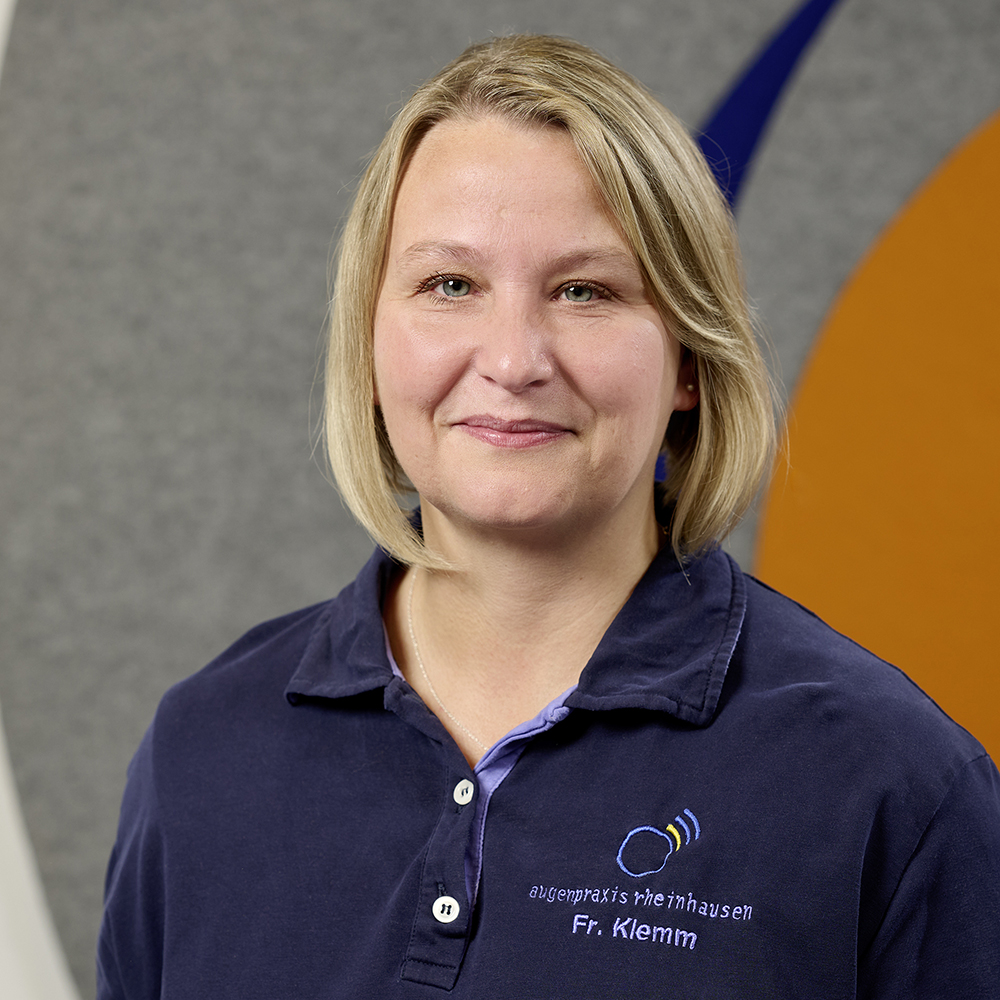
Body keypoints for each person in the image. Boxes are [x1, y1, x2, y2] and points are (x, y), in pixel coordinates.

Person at [97, 34, 1000, 998]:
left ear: (690, 360)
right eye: (451, 285)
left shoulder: (888, 781)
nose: (515, 358)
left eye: (585, 291)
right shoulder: (203, 746)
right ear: (369, 340)